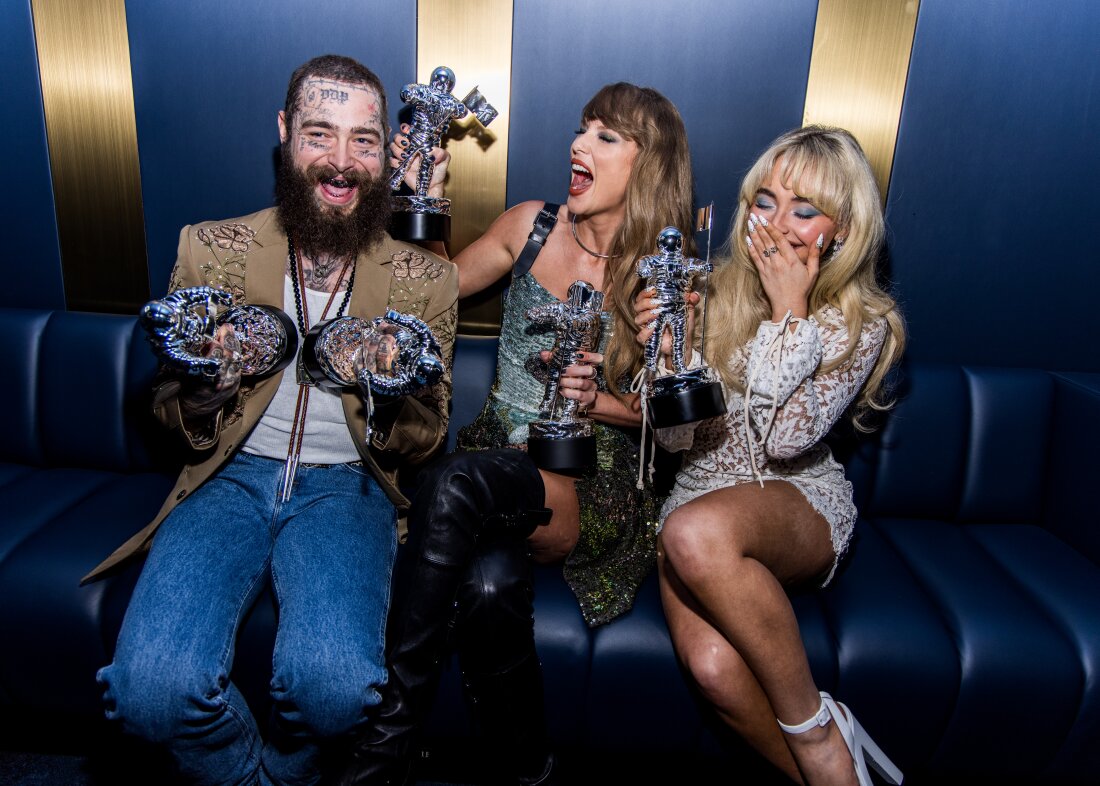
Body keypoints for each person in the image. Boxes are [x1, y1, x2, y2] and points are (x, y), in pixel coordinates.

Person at [83, 54, 458, 786]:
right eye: (320, 134)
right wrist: (203, 386)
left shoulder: (426, 278)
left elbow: (429, 432)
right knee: (149, 696)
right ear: (285, 133)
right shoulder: (210, 248)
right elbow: (168, 406)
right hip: (227, 479)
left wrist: (386, 389)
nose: (342, 163)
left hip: (346, 490)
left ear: (388, 151)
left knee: (338, 695)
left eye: (365, 140)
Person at [336, 82, 695, 786]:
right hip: (500, 450)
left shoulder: (665, 275)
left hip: (591, 478)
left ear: (648, 163)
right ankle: (529, 769)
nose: (578, 145)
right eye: (581, 127)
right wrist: (424, 196)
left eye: (605, 136)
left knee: (453, 482)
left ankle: (390, 731)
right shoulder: (533, 225)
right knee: (492, 584)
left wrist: (600, 403)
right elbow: (432, 288)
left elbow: (679, 420)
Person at [633, 125, 906, 786]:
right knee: (715, 673)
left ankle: (817, 734)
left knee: (692, 532)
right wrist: (668, 364)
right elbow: (674, 444)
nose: (778, 224)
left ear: (840, 230)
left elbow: (785, 441)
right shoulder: (709, 290)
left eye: (804, 210)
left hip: (795, 503)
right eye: (765, 202)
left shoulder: (858, 319)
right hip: (696, 500)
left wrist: (791, 313)